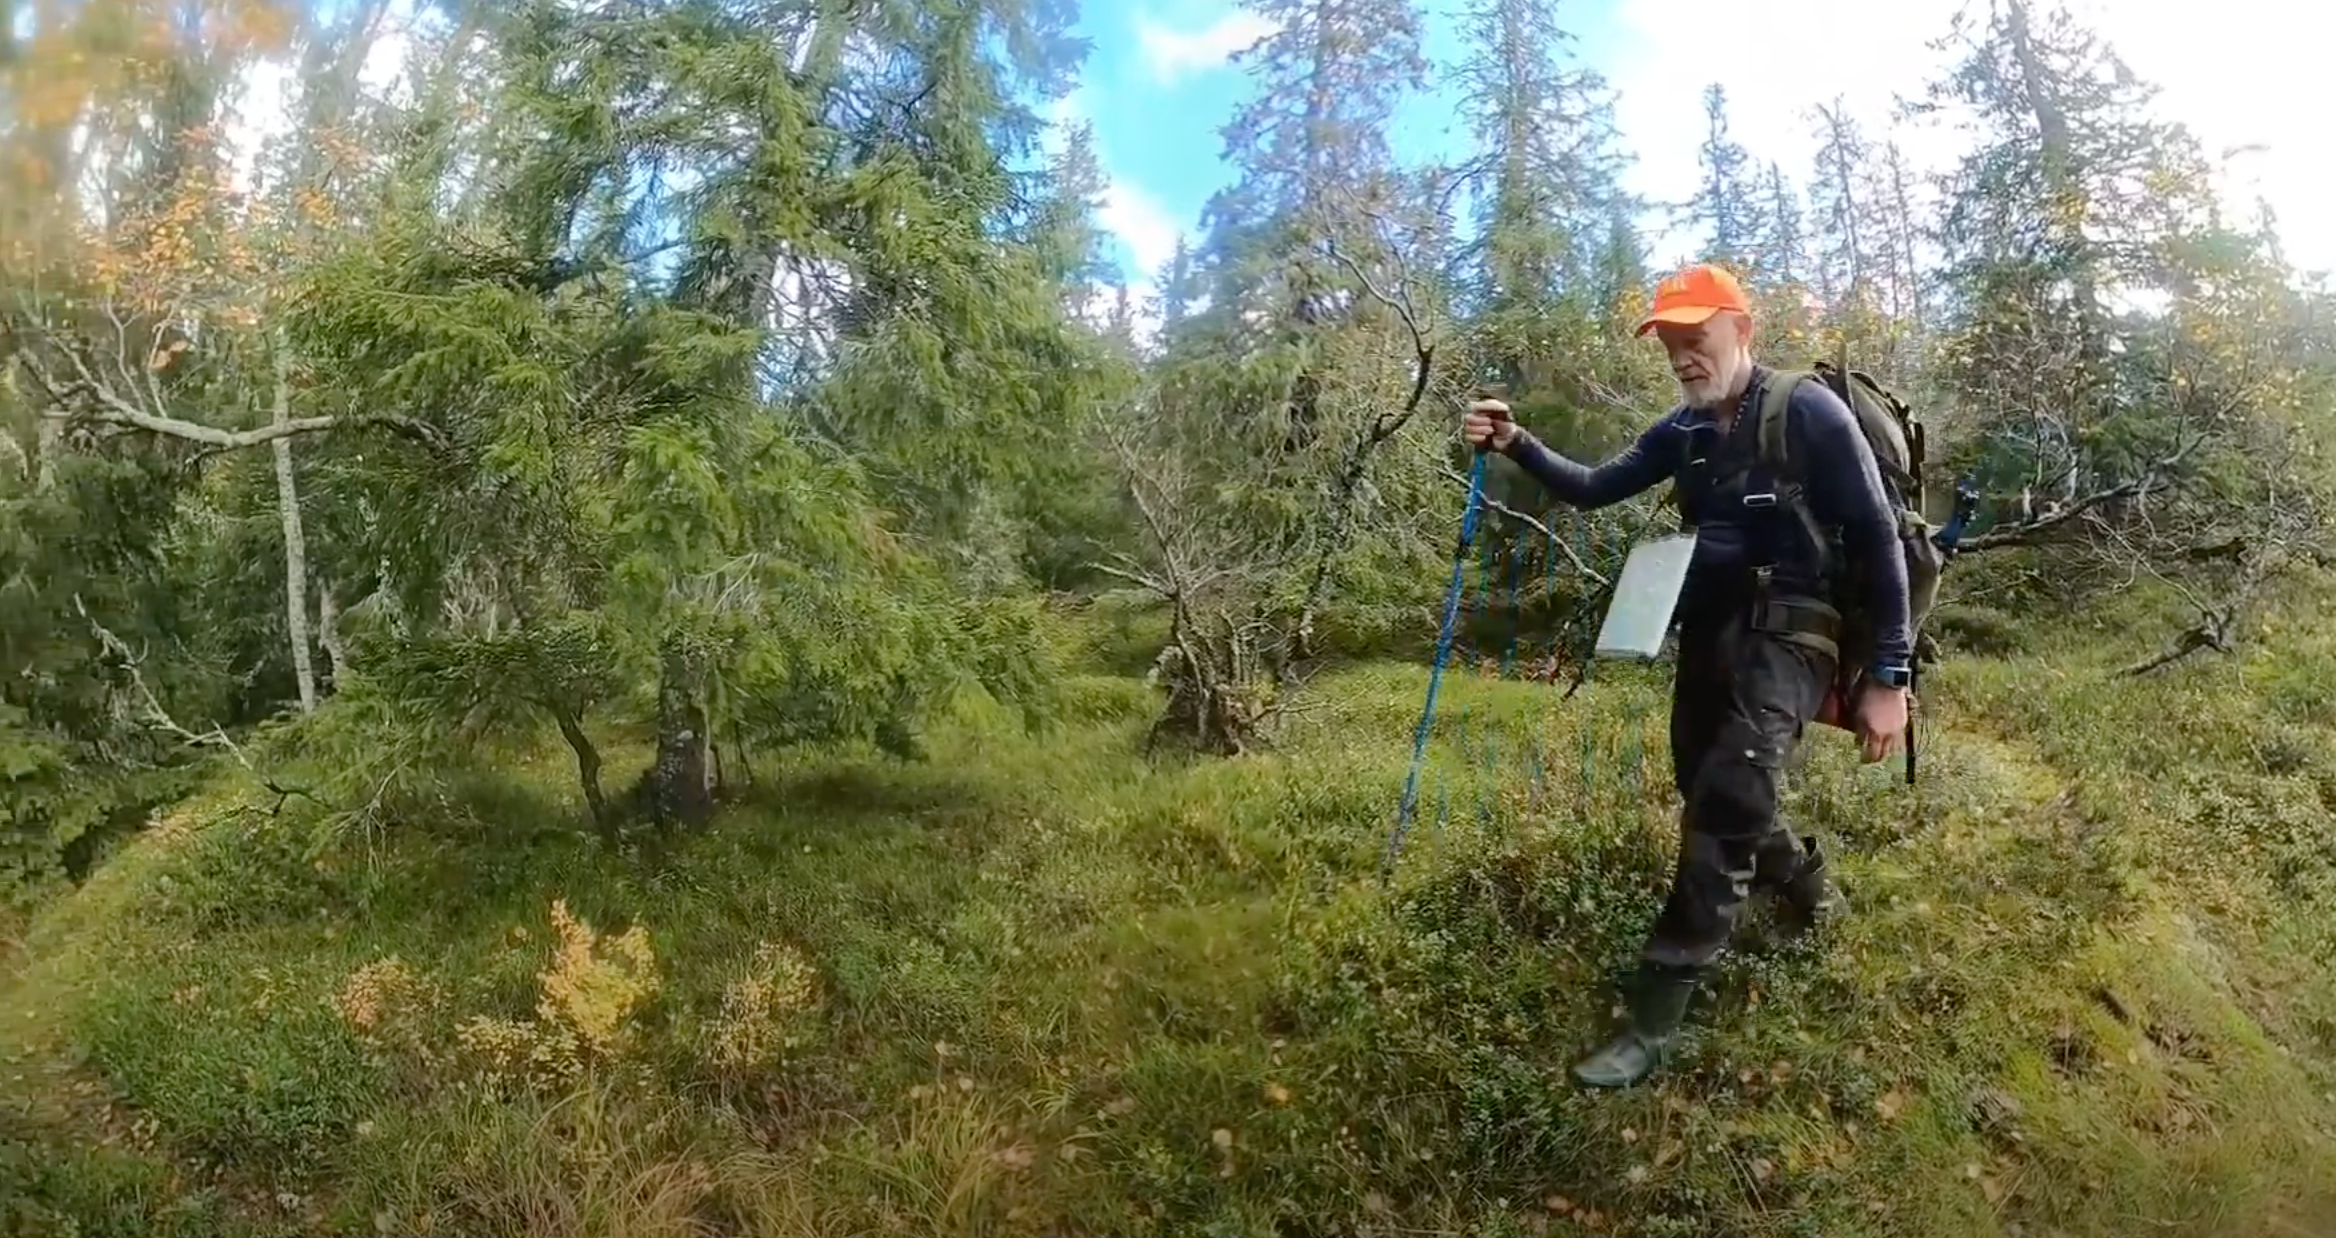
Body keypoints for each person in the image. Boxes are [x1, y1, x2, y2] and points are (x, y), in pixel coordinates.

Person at [1462, 262, 1913, 1089]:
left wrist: (1890, 674)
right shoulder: (1684, 430)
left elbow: (1878, 536)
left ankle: (1655, 1015)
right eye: (1670, 344)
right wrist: (1517, 443)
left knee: (1727, 797)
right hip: (1711, 633)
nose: (1682, 358)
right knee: (1700, 778)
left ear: (1742, 331)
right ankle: (1806, 885)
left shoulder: (1806, 410)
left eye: (1695, 340)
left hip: (1796, 634)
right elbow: (1595, 488)